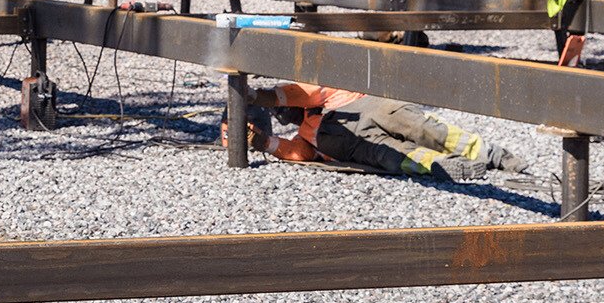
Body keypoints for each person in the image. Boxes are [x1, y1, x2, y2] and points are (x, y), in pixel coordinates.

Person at [223, 82, 529, 180]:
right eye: (279, 114)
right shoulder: (306, 136)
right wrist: (264, 142)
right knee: (391, 157)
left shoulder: (323, 96)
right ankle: (443, 168)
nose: (282, 112)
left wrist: (254, 96)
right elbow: (296, 152)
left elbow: (290, 93)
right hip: (358, 145)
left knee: (417, 125)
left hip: (370, 110)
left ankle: (491, 154)